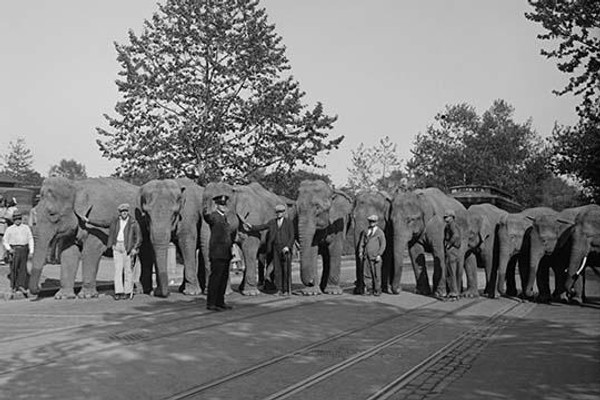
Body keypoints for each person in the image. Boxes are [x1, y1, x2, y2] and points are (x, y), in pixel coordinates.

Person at [84, 203, 142, 300]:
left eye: (126, 211)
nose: (124, 213)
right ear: (119, 213)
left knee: (128, 271)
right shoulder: (114, 221)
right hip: (117, 246)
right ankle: (119, 291)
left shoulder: (133, 223)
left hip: (127, 247)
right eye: (122, 211)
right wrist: (89, 221)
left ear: (128, 212)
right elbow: (103, 223)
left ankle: (128, 291)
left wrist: (135, 248)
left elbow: (139, 237)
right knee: (118, 270)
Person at [245, 204, 295, 296]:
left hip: (285, 249)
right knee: (278, 270)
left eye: (280, 212)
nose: (279, 214)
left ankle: (287, 289)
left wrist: (288, 246)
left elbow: (292, 236)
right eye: (277, 212)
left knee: (286, 269)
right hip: (275, 248)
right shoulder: (272, 222)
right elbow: (263, 226)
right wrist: (252, 227)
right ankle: (279, 289)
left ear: (284, 213)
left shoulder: (288, 222)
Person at [204, 194, 236, 311]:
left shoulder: (224, 218)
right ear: (217, 205)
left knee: (223, 279)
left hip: (225, 254)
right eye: (221, 204)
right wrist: (205, 211)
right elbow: (208, 218)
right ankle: (211, 303)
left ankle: (220, 302)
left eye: (224, 205)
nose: (223, 207)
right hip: (217, 254)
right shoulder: (214, 216)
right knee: (215, 279)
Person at [2, 211, 34, 296]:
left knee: (23, 268)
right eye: (16, 219)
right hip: (14, 249)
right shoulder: (10, 229)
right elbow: (5, 241)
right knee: (14, 268)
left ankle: (21, 285)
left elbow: (30, 238)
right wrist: (9, 249)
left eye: (19, 219)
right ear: (13, 220)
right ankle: (13, 286)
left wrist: (31, 251)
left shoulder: (26, 228)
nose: (18, 221)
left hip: (24, 249)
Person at [358, 214, 386, 296]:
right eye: (370, 221)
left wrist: (379, 255)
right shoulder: (366, 231)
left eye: (373, 221)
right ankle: (368, 289)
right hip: (366, 256)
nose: (371, 223)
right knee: (366, 274)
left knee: (376, 274)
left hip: (375, 256)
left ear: (376, 222)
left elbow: (383, 244)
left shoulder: (380, 232)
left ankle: (377, 289)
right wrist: (360, 251)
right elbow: (362, 242)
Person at [443, 209, 461, 300]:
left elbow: (456, 235)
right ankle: (453, 292)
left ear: (452, 217)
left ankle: (453, 292)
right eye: (444, 217)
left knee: (451, 272)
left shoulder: (452, 225)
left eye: (447, 217)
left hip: (452, 251)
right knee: (451, 272)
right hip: (454, 250)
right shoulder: (451, 225)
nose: (445, 218)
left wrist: (449, 244)